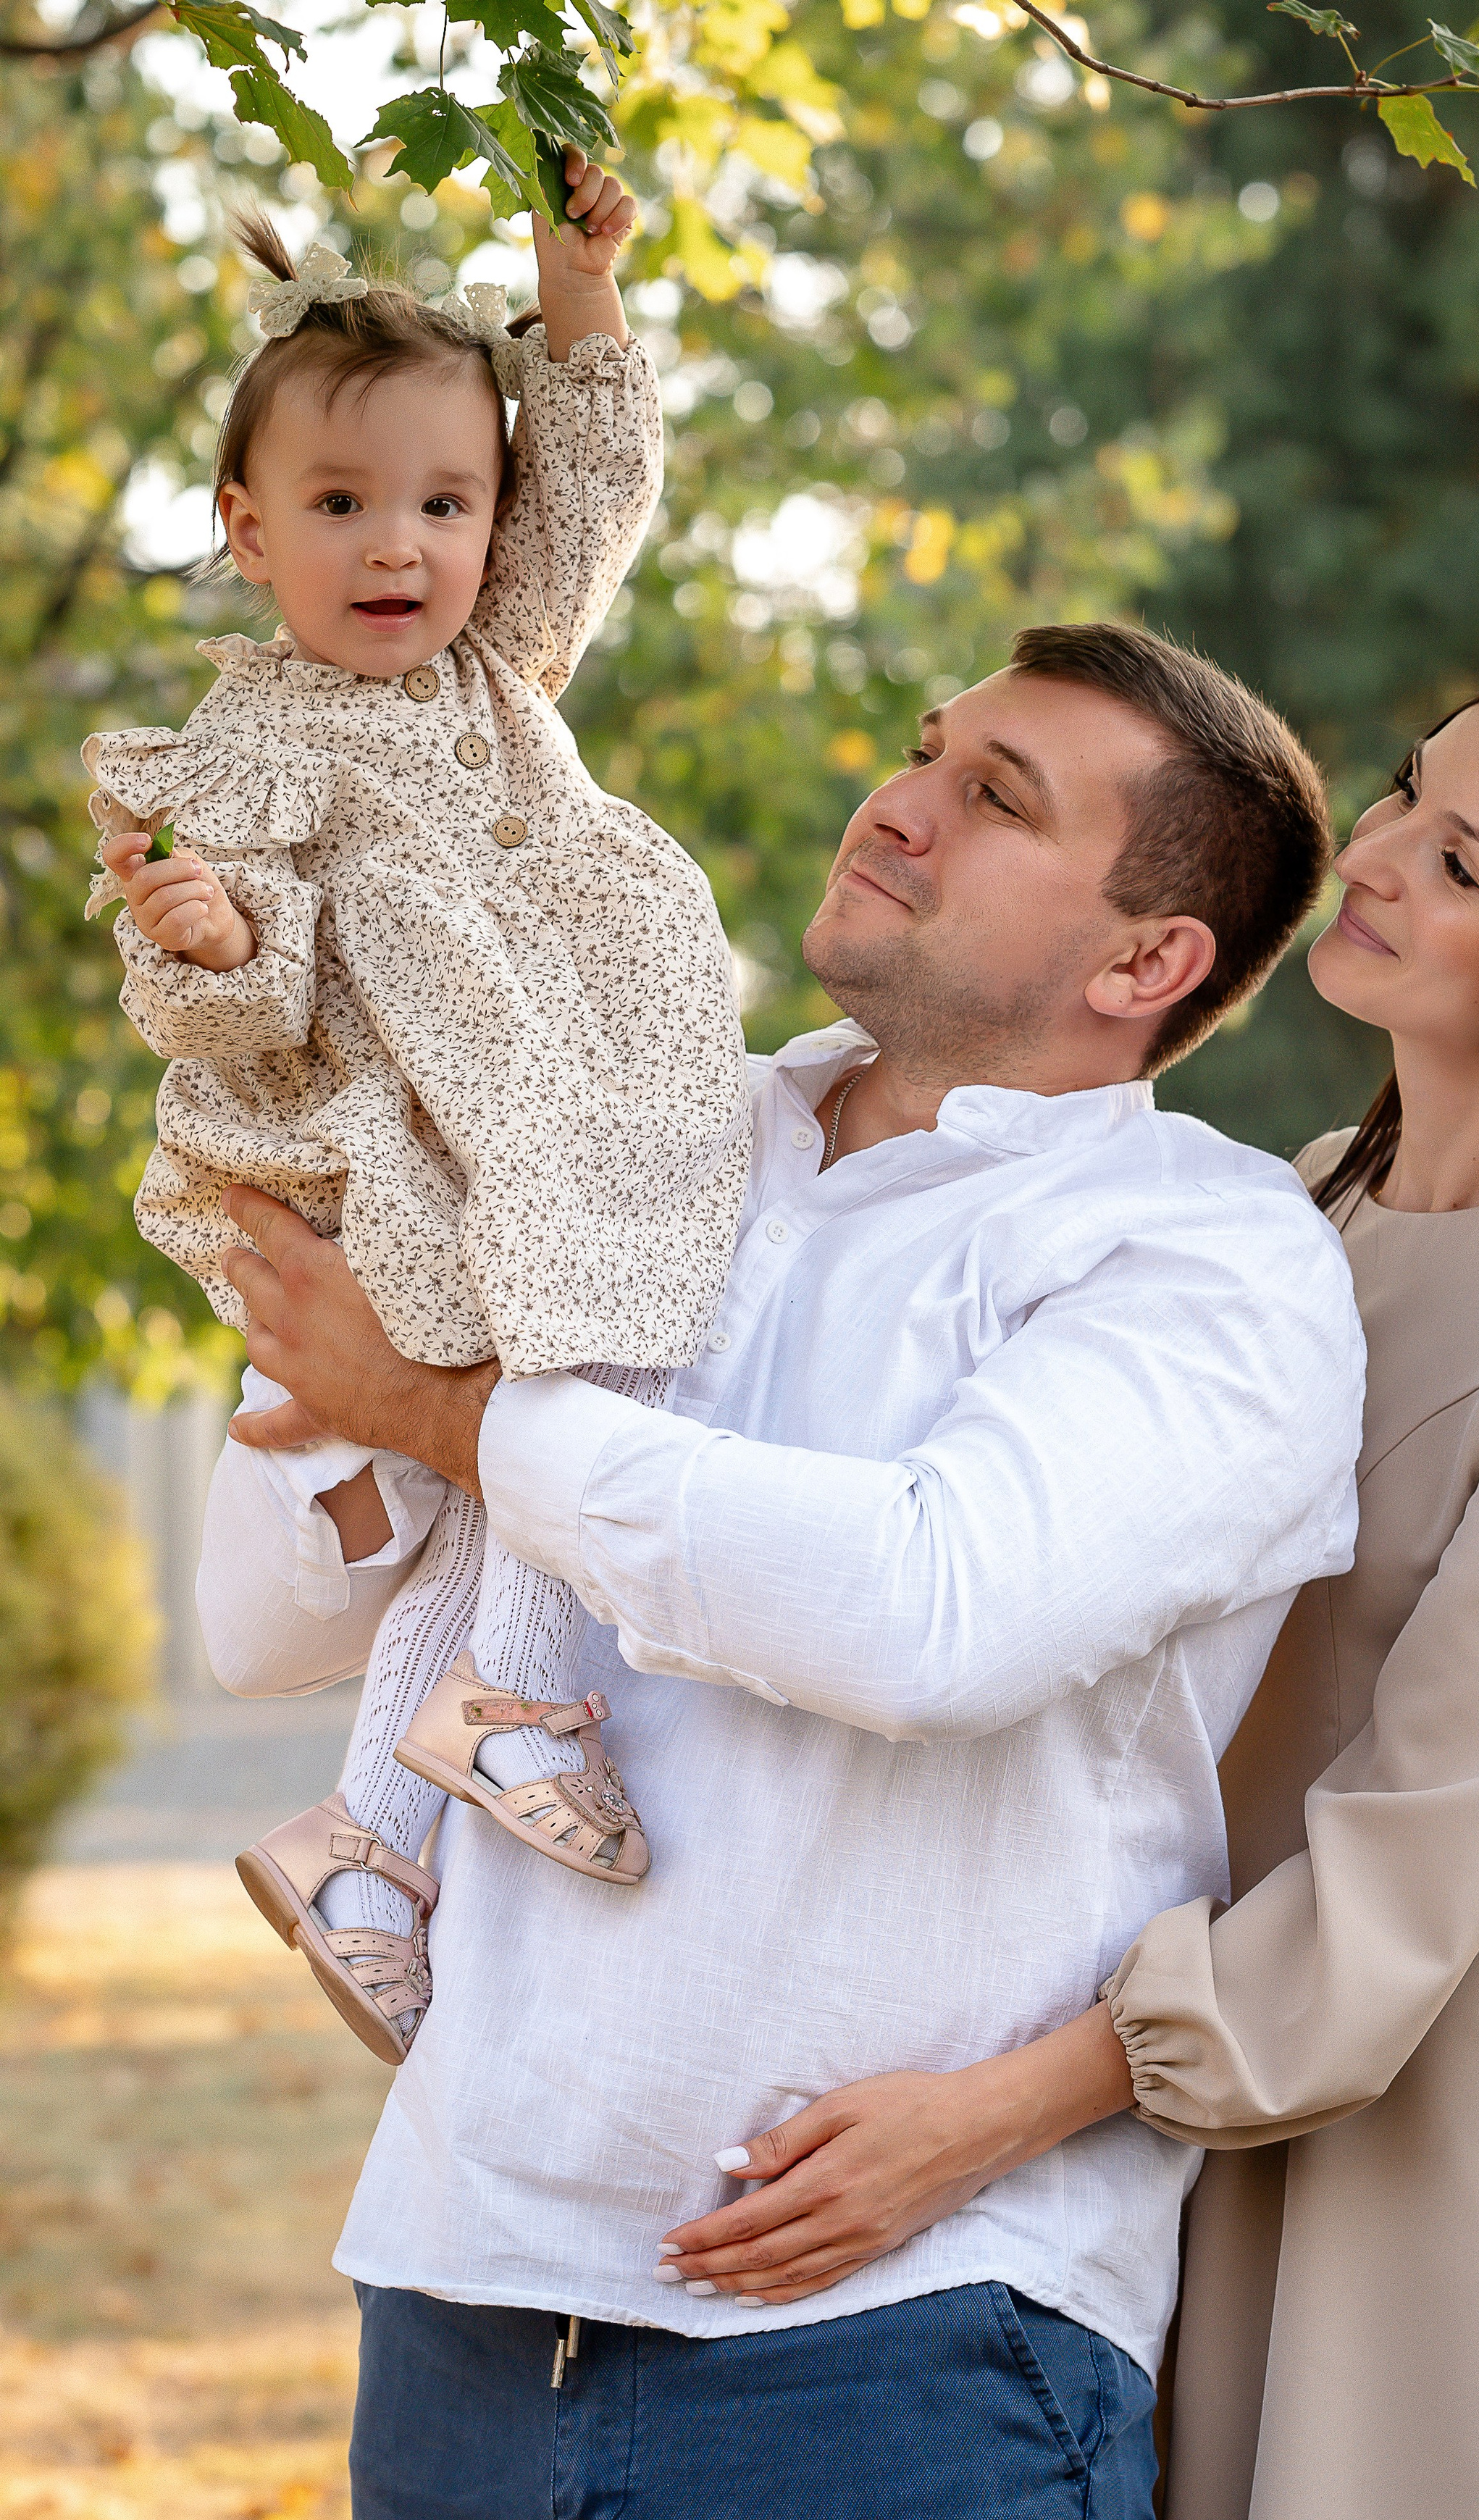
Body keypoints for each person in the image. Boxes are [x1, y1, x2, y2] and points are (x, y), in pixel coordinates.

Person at [195, 621, 1367, 2519]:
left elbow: (924, 1614)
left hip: (903, 2349)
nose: (898, 805)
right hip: (461, 2298)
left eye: (996, 799)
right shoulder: (631, 1141)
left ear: (1148, 962)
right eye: (925, 750)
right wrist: (356, 1314)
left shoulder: (1206, 1258)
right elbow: (265, 1625)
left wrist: (453, 1413)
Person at [653, 665, 1479, 2520]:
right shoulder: (1292, 1210)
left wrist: (989, 2115)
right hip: (1139, 2111)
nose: (1363, 860)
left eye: (1452, 861)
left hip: (1399, 2128)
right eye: (1400, 796)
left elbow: (1417, 1847)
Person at [83, 162, 751, 2063]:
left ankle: (370, 1857)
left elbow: (598, 490)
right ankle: (495, 1729)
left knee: (503, 1477)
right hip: (413, 1147)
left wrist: (578, 290)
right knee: (554, 1429)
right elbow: (239, 1000)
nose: (403, 548)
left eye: (448, 505)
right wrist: (208, 929)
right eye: (346, 505)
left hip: (553, 1124)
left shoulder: (495, 665)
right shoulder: (259, 742)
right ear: (248, 525)